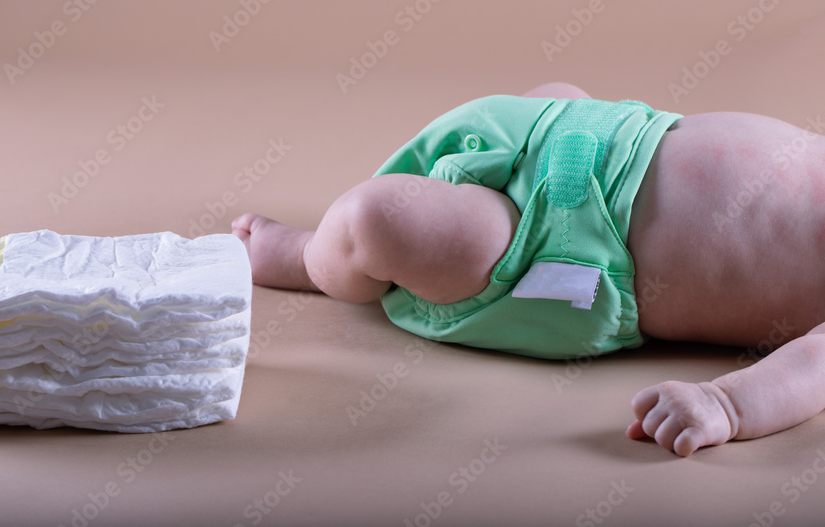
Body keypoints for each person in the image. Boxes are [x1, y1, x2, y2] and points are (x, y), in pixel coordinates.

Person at [231, 82, 825, 457]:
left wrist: (726, 406)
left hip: (559, 253)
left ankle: (310, 258)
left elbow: (812, 369)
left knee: (376, 221)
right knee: (553, 87)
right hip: (585, 132)